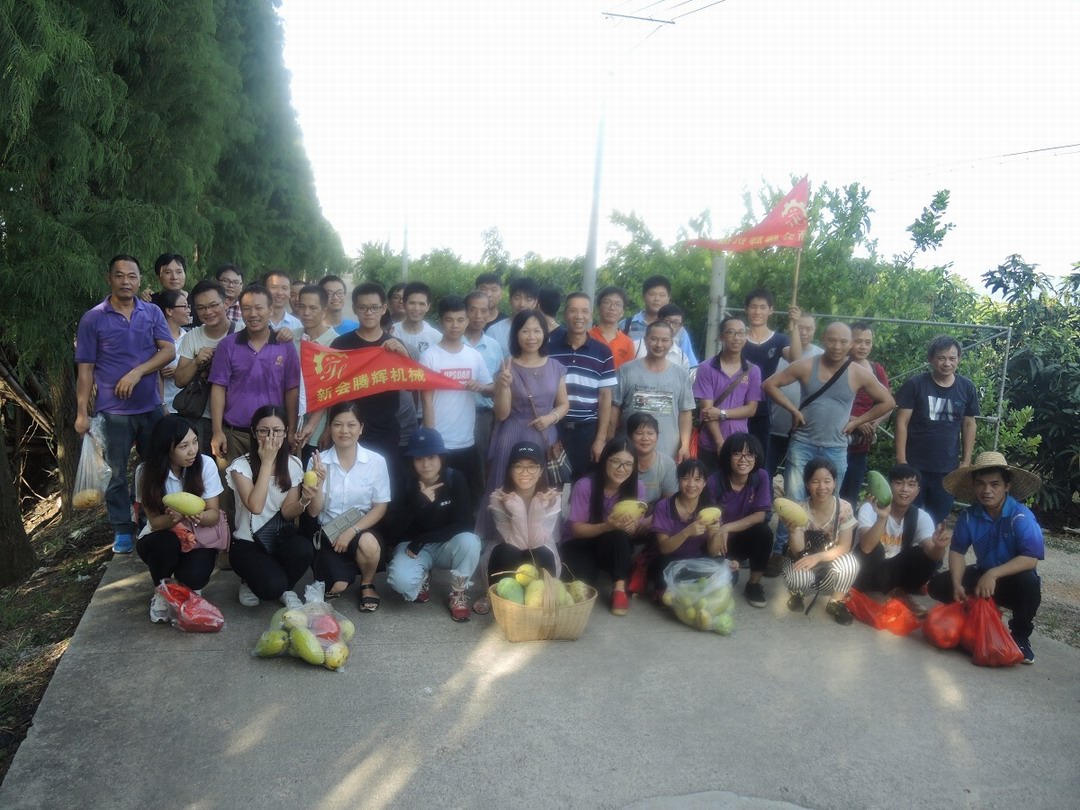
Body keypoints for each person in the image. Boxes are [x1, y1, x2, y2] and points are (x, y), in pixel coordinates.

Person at [763, 322, 894, 575]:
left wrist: (857, 421)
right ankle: (780, 552)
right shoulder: (806, 365)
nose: (837, 346)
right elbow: (769, 384)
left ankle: (821, 556)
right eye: (832, 340)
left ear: (850, 344)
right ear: (823, 340)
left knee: (830, 505)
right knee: (793, 502)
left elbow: (888, 401)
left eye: (844, 342)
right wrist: (793, 410)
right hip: (803, 444)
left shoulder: (857, 372)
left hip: (836, 448)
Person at [75, 255, 175, 553]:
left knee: (156, 467)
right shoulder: (93, 318)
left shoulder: (152, 312)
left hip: (150, 406)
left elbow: (168, 351)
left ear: (140, 280)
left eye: (132, 276)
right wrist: (81, 413)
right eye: (119, 275)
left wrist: (137, 372)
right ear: (109, 279)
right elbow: (85, 370)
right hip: (113, 411)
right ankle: (121, 529)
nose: (126, 281)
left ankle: (151, 519)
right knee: (116, 473)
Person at [928, 452, 1044, 664]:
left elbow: (1031, 559)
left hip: (1011, 581)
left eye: (994, 484)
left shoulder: (1021, 516)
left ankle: (1020, 636)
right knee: (938, 585)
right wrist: (957, 583)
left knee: (1029, 582)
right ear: (974, 486)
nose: (986, 490)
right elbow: (957, 551)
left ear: (1007, 486)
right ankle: (973, 616)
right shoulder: (969, 516)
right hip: (982, 576)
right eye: (980, 484)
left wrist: (994, 573)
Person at [384, 428, 482, 622]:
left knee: (471, 541)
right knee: (400, 582)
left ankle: (458, 592)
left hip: (444, 545)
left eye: (431, 457)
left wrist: (422, 540)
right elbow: (392, 530)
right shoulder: (404, 482)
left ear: (441, 458)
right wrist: (418, 503)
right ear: (411, 461)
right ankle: (423, 575)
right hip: (412, 548)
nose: (426, 464)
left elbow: (464, 523)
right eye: (419, 458)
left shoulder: (455, 478)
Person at [135, 415, 222, 623]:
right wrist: (177, 517)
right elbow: (155, 523)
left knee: (195, 577)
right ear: (166, 448)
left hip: (198, 535)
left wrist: (195, 516)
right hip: (161, 538)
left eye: (195, 442)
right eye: (183, 446)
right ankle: (161, 589)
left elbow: (214, 515)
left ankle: (187, 589)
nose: (192, 451)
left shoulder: (206, 464)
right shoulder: (145, 472)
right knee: (165, 543)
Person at [305, 401, 391, 611]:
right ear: (329, 428)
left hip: (362, 528)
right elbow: (313, 512)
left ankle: (367, 583)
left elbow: (380, 507)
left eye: (351, 425)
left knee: (368, 543)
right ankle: (346, 569)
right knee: (337, 586)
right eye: (338, 424)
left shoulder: (376, 461)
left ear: (361, 428)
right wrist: (319, 482)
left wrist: (352, 531)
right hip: (329, 534)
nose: (344, 431)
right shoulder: (318, 461)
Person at [226, 405, 315, 608]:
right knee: (270, 588)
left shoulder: (293, 464)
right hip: (247, 543)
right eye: (263, 431)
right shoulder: (241, 466)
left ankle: (286, 588)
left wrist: (304, 500)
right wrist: (266, 462)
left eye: (277, 430)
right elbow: (255, 506)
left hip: (276, 537)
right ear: (253, 433)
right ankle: (248, 580)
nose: (270, 437)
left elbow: (287, 512)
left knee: (303, 549)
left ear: (286, 432)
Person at [328, 282, 411, 489]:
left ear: (384, 309)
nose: (369, 313)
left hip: (386, 431)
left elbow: (412, 384)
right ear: (355, 309)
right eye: (363, 307)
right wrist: (327, 428)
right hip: (350, 431)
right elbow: (331, 390)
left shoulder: (394, 346)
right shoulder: (340, 345)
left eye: (374, 307)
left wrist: (404, 356)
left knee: (385, 489)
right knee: (350, 486)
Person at [208, 283, 300, 466]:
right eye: (247, 308)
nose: (253, 314)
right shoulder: (228, 345)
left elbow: (292, 390)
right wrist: (217, 431)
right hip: (234, 434)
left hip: (272, 436)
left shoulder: (285, 345)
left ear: (270, 309)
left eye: (259, 308)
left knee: (271, 483)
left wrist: (291, 430)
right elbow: (218, 388)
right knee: (230, 483)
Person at [894, 335, 980, 525]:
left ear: (959, 359)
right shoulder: (915, 384)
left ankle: (931, 546)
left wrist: (966, 461)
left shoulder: (966, 387)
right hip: (914, 466)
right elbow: (901, 422)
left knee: (937, 521)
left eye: (952, 358)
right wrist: (902, 461)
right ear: (930, 359)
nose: (947, 363)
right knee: (907, 518)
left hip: (947, 469)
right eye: (941, 358)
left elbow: (969, 424)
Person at [485, 309, 569, 495]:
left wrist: (551, 418)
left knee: (542, 494)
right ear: (516, 334)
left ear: (544, 334)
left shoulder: (556, 367)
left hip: (545, 435)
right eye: (525, 331)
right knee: (508, 492)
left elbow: (564, 404)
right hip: (512, 435)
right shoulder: (507, 366)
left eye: (537, 331)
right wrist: (503, 386)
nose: (532, 337)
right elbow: (502, 414)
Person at [419, 295, 494, 504]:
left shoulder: (474, 356)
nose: (455, 325)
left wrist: (481, 387)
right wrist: (432, 444)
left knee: (466, 496)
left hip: (467, 440)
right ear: (440, 322)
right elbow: (426, 400)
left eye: (460, 320)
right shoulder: (429, 357)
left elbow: (491, 390)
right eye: (449, 320)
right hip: (440, 442)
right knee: (439, 497)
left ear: (467, 321)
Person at [561, 436, 646, 615]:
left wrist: (631, 527)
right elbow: (575, 530)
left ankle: (619, 589)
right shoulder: (585, 485)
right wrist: (607, 526)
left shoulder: (637, 487)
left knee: (619, 536)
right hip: (580, 542)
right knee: (582, 587)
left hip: (611, 542)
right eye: (615, 462)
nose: (621, 469)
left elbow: (634, 523)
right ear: (604, 460)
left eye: (628, 464)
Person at [476, 441, 563, 614]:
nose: (525, 472)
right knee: (507, 551)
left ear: (541, 471)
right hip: (509, 548)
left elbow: (535, 543)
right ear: (510, 470)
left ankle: (540, 600)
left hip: (540, 548)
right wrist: (517, 511)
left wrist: (537, 508)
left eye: (532, 467)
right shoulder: (498, 497)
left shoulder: (552, 498)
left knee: (542, 552)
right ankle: (494, 597)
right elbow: (518, 543)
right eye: (518, 466)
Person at [778, 457, 860, 625]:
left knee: (851, 563)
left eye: (827, 481)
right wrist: (792, 531)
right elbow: (798, 551)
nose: (822, 487)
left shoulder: (844, 508)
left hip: (828, 566)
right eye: (815, 481)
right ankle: (797, 592)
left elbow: (845, 546)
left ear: (834, 483)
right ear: (807, 484)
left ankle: (835, 602)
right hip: (803, 561)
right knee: (798, 578)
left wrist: (817, 557)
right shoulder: (799, 509)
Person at [853, 464, 949, 605]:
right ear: (888, 486)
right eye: (899, 483)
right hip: (865, 572)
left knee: (923, 556)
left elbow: (933, 555)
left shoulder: (921, 516)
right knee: (877, 549)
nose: (905, 489)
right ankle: (871, 595)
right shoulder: (870, 508)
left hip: (892, 572)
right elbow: (866, 548)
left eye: (911, 485)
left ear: (917, 491)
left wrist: (939, 546)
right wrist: (882, 517)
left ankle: (899, 595)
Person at [547, 292, 616, 479]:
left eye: (584, 311)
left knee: (584, 484)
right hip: (555, 428)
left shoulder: (603, 352)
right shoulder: (549, 349)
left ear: (591, 315)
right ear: (564, 314)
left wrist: (600, 439)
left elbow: (605, 398)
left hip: (587, 431)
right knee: (554, 484)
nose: (579, 316)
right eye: (573, 311)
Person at [706, 433, 774, 608]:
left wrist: (727, 527)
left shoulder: (761, 477)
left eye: (749, 454)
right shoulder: (715, 481)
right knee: (726, 582)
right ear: (728, 456)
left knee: (764, 532)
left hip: (741, 536)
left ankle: (754, 584)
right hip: (718, 541)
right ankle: (725, 566)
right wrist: (720, 532)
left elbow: (760, 515)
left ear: (756, 457)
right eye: (737, 454)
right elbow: (710, 521)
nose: (743, 460)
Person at [611, 321, 694, 462]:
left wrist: (685, 445)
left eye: (664, 340)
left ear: (671, 343)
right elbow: (614, 408)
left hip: (667, 453)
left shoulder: (681, 375)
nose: (659, 345)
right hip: (629, 452)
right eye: (654, 339)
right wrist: (610, 439)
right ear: (645, 340)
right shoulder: (626, 371)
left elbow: (685, 412)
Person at [693, 315, 761, 477]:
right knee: (708, 486)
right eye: (731, 332)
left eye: (741, 333)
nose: (736, 338)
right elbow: (708, 411)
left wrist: (722, 413)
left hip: (740, 446)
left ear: (746, 336)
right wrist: (720, 443)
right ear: (721, 336)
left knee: (735, 488)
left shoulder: (753, 371)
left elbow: (751, 409)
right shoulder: (706, 368)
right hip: (710, 444)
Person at [649, 459, 725, 598]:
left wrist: (716, 532)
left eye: (697, 479)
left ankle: (687, 588)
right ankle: (685, 588)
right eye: (685, 478)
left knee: (730, 573)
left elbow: (713, 552)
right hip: (669, 561)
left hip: (696, 560)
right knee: (663, 570)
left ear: (704, 483)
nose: (691, 484)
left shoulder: (711, 509)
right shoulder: (664, 506)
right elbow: (664, 548)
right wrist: (687, 532)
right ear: (678, 480)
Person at [175, 279, 235, 453]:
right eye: (201, 308)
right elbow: (179, 380)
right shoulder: (192, 337)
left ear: (226, 303)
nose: (208, 312)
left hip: (235, 418)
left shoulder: (242, 331)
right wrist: (196, 362)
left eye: (213, 305)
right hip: (202, 417)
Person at [742, 289, 799, 461]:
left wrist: (795, 326)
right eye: (753, 307)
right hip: (736, 408)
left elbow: (796, 360)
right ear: (746, 309)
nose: (757, 312)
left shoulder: (779, 340)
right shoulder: (738, 338)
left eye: (762, 307)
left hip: (762, 410)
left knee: (758, 459)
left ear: (771, 310)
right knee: (735, 456)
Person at [840, 322, 891, 506]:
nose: (863, 346)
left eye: (867, 342)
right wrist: (856, 421)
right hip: (835, 437)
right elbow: (827, 403)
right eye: (858, 341)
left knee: (851, 496)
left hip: (861, 443)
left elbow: (889, 404)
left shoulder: (876, 369)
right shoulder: (838, 365)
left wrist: (873, 423)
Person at [766, 312, 822, 477]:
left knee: (798, 477)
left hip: (805, 431)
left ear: (815, 330)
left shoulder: (821, 357)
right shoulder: (780, 353)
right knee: (766, 473)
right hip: (773, 427)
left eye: (808, 329)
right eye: (799, 327)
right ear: (792, 328)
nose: (803, 332)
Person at [292, 284, 340, 467]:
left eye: (313, 308)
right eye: (302, 306)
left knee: (313, 473)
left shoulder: (336, 342)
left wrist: (327, 427)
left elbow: (333, 389)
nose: (306, 313)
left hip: (319, 428)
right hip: (290, 421)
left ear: (324, 311)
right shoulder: (291, 338)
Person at [464, 290, 505, 492]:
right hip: (453, 412)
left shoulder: (494, 347)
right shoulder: (451, 342)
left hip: (483, 416)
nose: (478, 316)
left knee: (480, 466)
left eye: (484, 311)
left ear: (489, 314)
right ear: (465, 312)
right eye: (473, 310)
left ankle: (479, 507)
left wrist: (483, 387)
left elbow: (499, 386)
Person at [621, 275, 698, 367]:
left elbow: (691, 366)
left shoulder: (679, 331)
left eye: (662, 295)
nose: (657, 299)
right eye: (652, 294)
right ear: (643, 296)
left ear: (668, 298)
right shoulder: (626, 325)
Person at [628, 412, 677, 506]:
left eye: (650, 433)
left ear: (657, 436)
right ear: (630, 437)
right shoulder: (622, 460)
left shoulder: (667, 464)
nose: (645, 438)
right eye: (639, 433)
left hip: (655, 510)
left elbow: (669, 500)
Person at [485, 277, 540, 355]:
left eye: (528, 299)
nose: (522, 304)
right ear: (510, 300)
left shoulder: (542, 329)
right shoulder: (494, 331)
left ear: (535, 302)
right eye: (517, 298)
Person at [157, 289, 191, 414]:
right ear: (169, 311)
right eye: (184, 306)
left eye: (188, 306)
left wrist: (180, 371)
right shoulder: (154, 339)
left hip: (186, 407)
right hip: (162, 407)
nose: (189, 310)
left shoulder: (189, 337)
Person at [590, 285, 636, 369]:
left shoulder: (627, 343)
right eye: (607, 302)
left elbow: (627, 373)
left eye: (618, 304)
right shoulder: (587, 336)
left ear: (622, 312)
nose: (612, 308)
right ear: (598, 308)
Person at [633, 303, 691, 369]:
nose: (670, 326)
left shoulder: (681, 358)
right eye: (667, 321)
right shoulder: (636, 347)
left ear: (680, 326)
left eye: (675, 323)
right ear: (657, 320)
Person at [397, 281, 443, 360]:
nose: (416, 308)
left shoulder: (436, 337)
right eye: (412, 303)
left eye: (422, 304)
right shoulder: (393, 332)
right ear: (404, 304)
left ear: (428, 307)